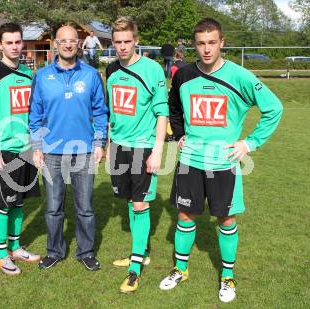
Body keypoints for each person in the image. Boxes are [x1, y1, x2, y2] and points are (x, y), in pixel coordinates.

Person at [159, 18, 283, 303]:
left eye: (212, 42)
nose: (206, 49)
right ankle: (180, 269)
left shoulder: (240, 76)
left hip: (224, 161)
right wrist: (178, 134)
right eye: (201, 43)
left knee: (226, 218)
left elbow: (274, 109)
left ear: (222, 42)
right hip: (190, 159)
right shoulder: (183, 75)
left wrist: (249, 143)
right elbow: (173, 107)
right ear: (194, 45)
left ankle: (227, 276)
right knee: (185, 215)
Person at [29, 25, 108, 271]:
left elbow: (100, 112)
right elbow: (35, 114)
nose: (67, 45)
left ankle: (85, 252)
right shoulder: (42, 76)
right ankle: (54, 251)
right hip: (51, 152)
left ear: (79, 43)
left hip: (83, 151)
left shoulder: (91, 75)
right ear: (55, 44)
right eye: (62, 41)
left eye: (72, 41)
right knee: (53, 208)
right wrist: (37, 145)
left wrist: (99, 143)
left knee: (85, 207)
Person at [105, 17, 169, 293]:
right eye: (117, 42)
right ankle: (139, 252)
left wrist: (157, 151)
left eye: (127, 41)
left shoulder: (153, 70)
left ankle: (134, 269)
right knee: (131, 201)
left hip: (143, 148)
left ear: (136, 40)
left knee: (141, 204)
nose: (121, 47)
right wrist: (109, 144)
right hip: (119, 146)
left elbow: (162, 113)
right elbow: (111, 113)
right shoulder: (110, 70)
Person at [0, 22, 41, 276]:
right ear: (0, 45)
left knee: (19, 202)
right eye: (9, 42)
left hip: (26, 148)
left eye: (18, 42)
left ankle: (15, 247)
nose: (15, 47)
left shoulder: (28, 73)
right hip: (3, 149)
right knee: (3, 204)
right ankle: (2, 254)